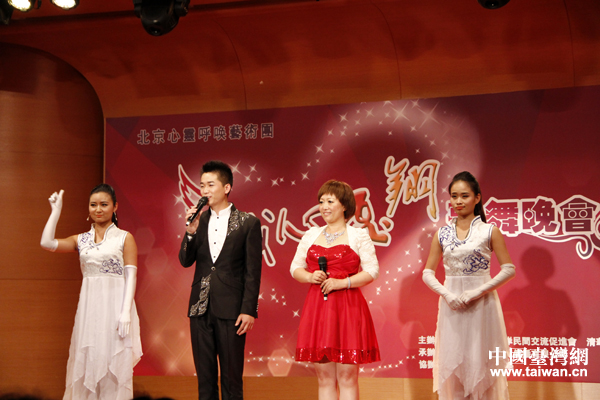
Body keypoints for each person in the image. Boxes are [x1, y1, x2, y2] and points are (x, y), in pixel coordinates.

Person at [40, 184, 142, 400]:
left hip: (116, 308)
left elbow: (131, 276)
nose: (98, 209)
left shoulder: (125, 238)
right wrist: (55, 212)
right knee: (89, 360)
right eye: (93, 205)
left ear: (115, 207)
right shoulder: (81, 240)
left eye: (104, 204)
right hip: (90, 310)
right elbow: (47, 243)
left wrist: (125, 312)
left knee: (113, 362)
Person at [422, 171, 516, 400]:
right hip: (451, 307)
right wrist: (447, 294)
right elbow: (427, 273)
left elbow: (509, 269)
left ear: (477, 198)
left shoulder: (489, 231)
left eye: (464, 196)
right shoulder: (442, 234)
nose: (458, 201)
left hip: (482, 306)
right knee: (453, 361)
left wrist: (478, 291)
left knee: (481, 360)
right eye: (454, 196)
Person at [179, 160, 262, 400]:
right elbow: (185, 260)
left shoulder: (248, 223)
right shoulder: (199, 220)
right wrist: (190, 233)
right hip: (199, 307)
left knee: (231, 379)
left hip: (232, 309)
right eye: (202, 185)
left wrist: (249, 310)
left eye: (210, 185)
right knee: (205, 380)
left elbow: (253, 271)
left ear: (226, 188)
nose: (204, 190)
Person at [290, 180, 380, 400]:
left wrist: (343, 283)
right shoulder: (311, 234)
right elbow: (295, 268)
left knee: (347, 376)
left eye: (330, 201)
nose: (324, 207)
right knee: (324, 377)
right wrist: (310, 276)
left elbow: (372, 271)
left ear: (345, 205)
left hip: (348, 307)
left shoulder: (358, 235)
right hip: (318, 309)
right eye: (321, 202)